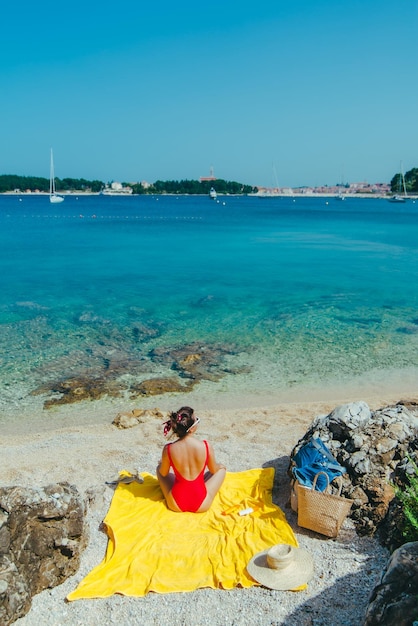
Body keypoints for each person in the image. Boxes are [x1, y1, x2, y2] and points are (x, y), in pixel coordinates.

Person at [156, 406, 226, 513]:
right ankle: (198, 483)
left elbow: (164, 473)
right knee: (221, 470)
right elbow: (213, 470)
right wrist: (220, 466)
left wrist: (161, 464)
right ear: (192, 428)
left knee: (159, 469)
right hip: (202, 503)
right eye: (197, 419)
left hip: (176, 503)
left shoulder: (168, 449)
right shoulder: (205, 446)